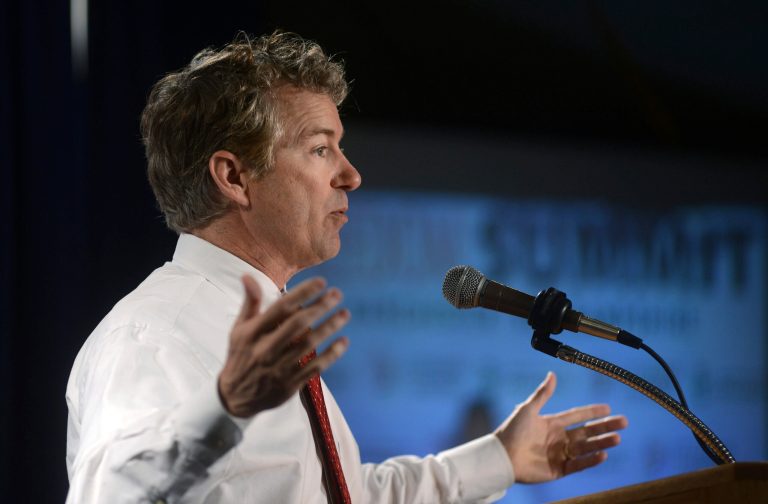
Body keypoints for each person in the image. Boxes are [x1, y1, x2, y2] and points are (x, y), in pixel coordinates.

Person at [65, 31, 628, 503]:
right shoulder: (153, 334)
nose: (351, 175)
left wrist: (499, 458)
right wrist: (225, 407)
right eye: (320, 149)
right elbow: (110, 492)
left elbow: (345, 495)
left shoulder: (260, 333)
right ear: (233, 177)